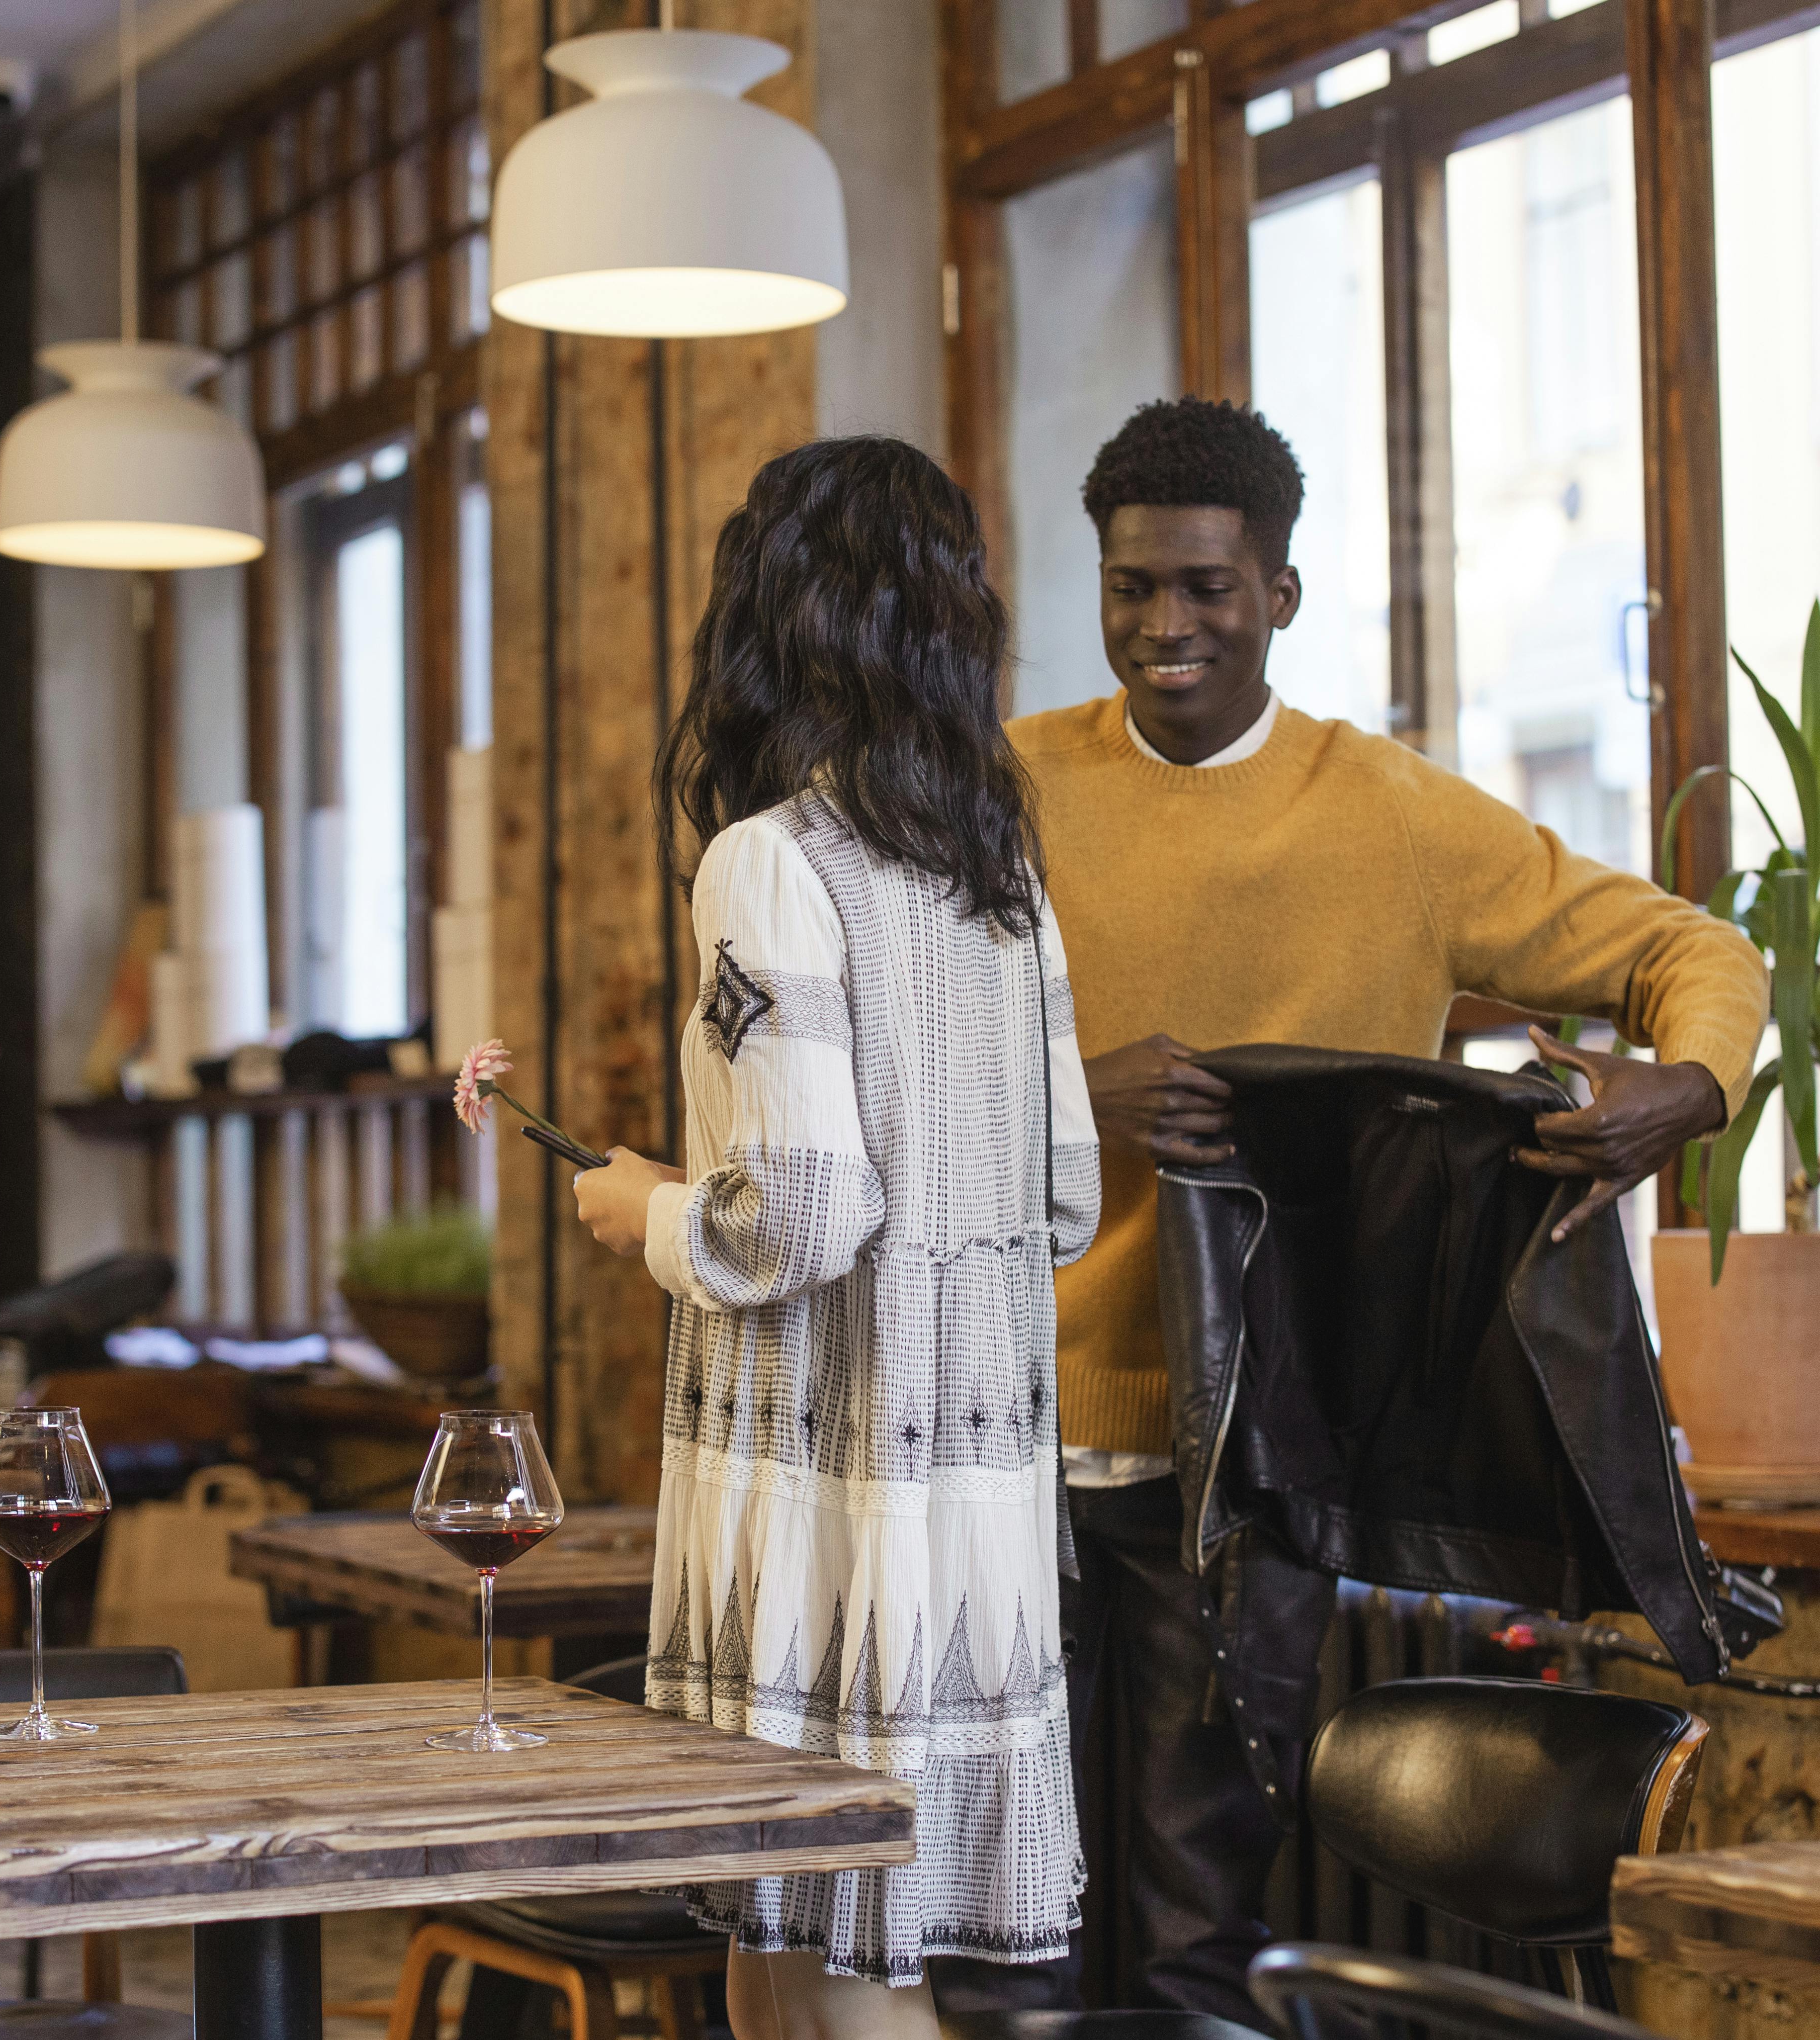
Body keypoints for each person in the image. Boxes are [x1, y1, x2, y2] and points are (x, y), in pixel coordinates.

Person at [977, 397, 1771, 2022]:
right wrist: (1066, 1096)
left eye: (1206, 587)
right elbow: (883, 1067)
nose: (1164, 625)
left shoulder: (1394, 817)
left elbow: (1694, 951)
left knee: (1200, 1921)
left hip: (1260, 1448)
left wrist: (1684, 1086)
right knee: (1003, 1927)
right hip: (1003, 1429)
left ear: (1280, 590)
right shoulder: (1004, 789)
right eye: (1132, 588)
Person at [570, 435, 1102, 2040]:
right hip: (974, 1500)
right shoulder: (1000, 879)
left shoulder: (766, 863)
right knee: (791, 1956)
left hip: (825, 1503)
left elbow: (794, 1217)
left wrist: (642, 1209)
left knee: (841, 1975)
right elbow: (1064, 1194)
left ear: (771, 617)